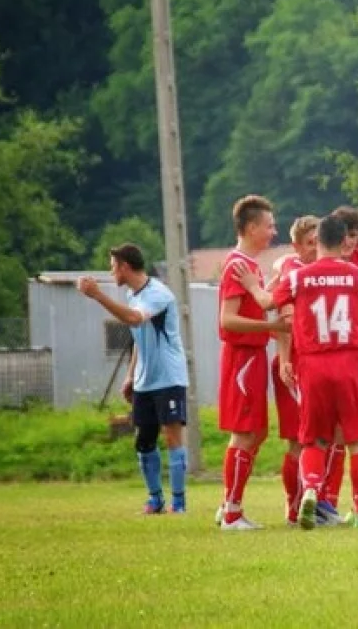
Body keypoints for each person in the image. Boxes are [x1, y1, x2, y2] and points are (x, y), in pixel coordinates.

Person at [272, 215, 358, 529]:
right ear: (344, 241)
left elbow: (273, 302)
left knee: (314, 440)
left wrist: (255, 287)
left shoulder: (298, 277)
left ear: (318, 241)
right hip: (348, 360)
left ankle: (310, 490)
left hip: (313, 363)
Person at [76, 244, 189, 515]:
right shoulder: (132, 294)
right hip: (145, 381)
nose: (110, 271)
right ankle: (155, 500)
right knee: (144, 440)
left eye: (112, 265)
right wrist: (130, 375)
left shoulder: (158, 294)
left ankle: (179, 503)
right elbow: (139, 337)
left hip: (169, 376)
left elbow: (134, 320)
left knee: (172, 435)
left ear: (125, 266)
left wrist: (97, 296)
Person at [214, 195, 289, 530]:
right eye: (269, 225)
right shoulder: (238, 266)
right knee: (245, 433)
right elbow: (227, 321)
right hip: (242, 358)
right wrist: (271, 327)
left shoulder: (251, 267)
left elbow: (257, 303)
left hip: (253, 356)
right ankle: (231, 511)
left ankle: (228, 506)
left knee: (256, 432)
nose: (273, 232)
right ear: (251, 227)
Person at [266, 216, 319, 525]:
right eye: (309, 244)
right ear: (297, 247)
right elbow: (286, 318)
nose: (316, 249)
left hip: (318, 362)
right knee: (299, 439)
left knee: (321, 437)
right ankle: (293, 504)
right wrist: (286, 359)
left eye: (319, 242)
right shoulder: (293, 269)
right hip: (295, 362)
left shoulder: (323, 271)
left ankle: (318, 501)